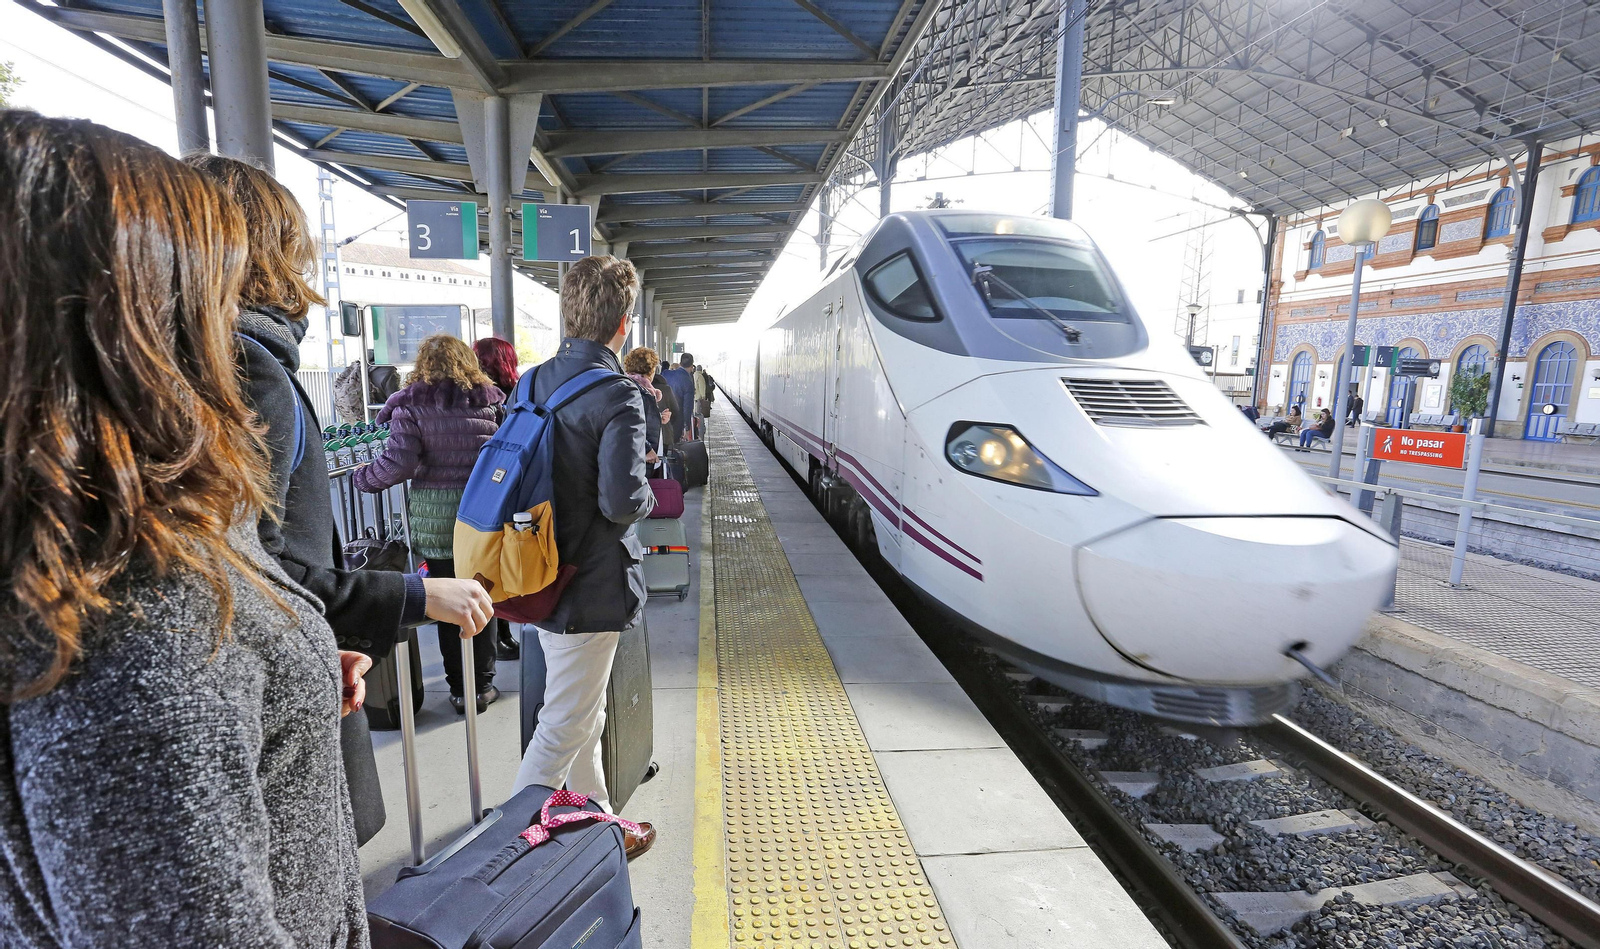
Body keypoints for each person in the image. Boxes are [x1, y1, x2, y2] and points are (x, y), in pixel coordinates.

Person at [0, 113, 367, 946]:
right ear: (132, 324)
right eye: (206, 282)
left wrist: (274, 663)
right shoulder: (142, 633)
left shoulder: (80, 563)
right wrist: (224, 670)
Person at [188, 153, 492, 843]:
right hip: (278, 712)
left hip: (420, 524)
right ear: (274, 254)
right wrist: (413, 597)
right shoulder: (253, 372)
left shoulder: (203, 362)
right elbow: (259, 575)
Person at [511, 256, 657, 859]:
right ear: (623, 324)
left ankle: (597, 822)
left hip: (535, 570)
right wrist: (646, 481)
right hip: (590, 582)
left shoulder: (530, 381)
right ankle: (509, 851)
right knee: (563, 723)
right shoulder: (618, 392)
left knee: (582, 709)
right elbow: (622, 502)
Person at [355, 334, 506, 713]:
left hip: (435, 517)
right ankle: (483, 685)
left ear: (423, 364)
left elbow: (399, 463)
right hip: (481, 514)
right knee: (481, 595)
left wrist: (363, 477)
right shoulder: (488, 403)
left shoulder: (413, 406)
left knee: (445, 603)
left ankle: (460, 689)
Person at [473, 336, 527, 662]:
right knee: (502, 562)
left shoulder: (471, 395)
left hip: (476, 491)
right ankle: (506, 632)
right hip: (507, 487)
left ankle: (493, 639)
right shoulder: (515, 394)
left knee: (481, 563)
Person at [623, 347, 667, 467]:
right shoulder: (640, 392)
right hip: (642, 460)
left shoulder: (628, 385)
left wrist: (659, 418)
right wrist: (647, 449)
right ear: (651, 370)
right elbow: (628, 424)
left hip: (640, 457)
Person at [661, 352, 697, 441]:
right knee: (674, 445)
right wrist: (687, 427)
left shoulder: (665, 374)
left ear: (680, 363)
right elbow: (687, 407)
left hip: (662, 417)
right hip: (677, 421)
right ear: (692, 366)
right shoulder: (688, 382)